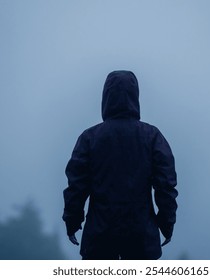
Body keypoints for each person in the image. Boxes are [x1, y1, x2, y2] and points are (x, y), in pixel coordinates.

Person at [62, 70, 178, 260]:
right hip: (142, 240)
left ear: (105, 97)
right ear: (135, 96)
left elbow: (76, 186)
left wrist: (72, 221)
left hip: (99, 240)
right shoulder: (152, 137)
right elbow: (166, 185)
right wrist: (166, 224)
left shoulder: (89, 138)